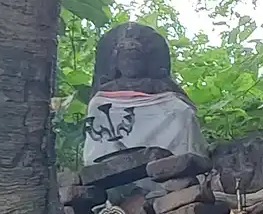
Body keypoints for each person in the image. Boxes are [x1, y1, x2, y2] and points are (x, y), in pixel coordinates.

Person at [80, 22, 205, 164]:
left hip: (162, 127)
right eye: (125, 59)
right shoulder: (104, 93)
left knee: (183, 112)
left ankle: (179, 162)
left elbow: (183, 108)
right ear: (116, 63)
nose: (129, 64)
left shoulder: (158, 85)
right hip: (114, 143)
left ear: (145, 62)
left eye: (135, 59)